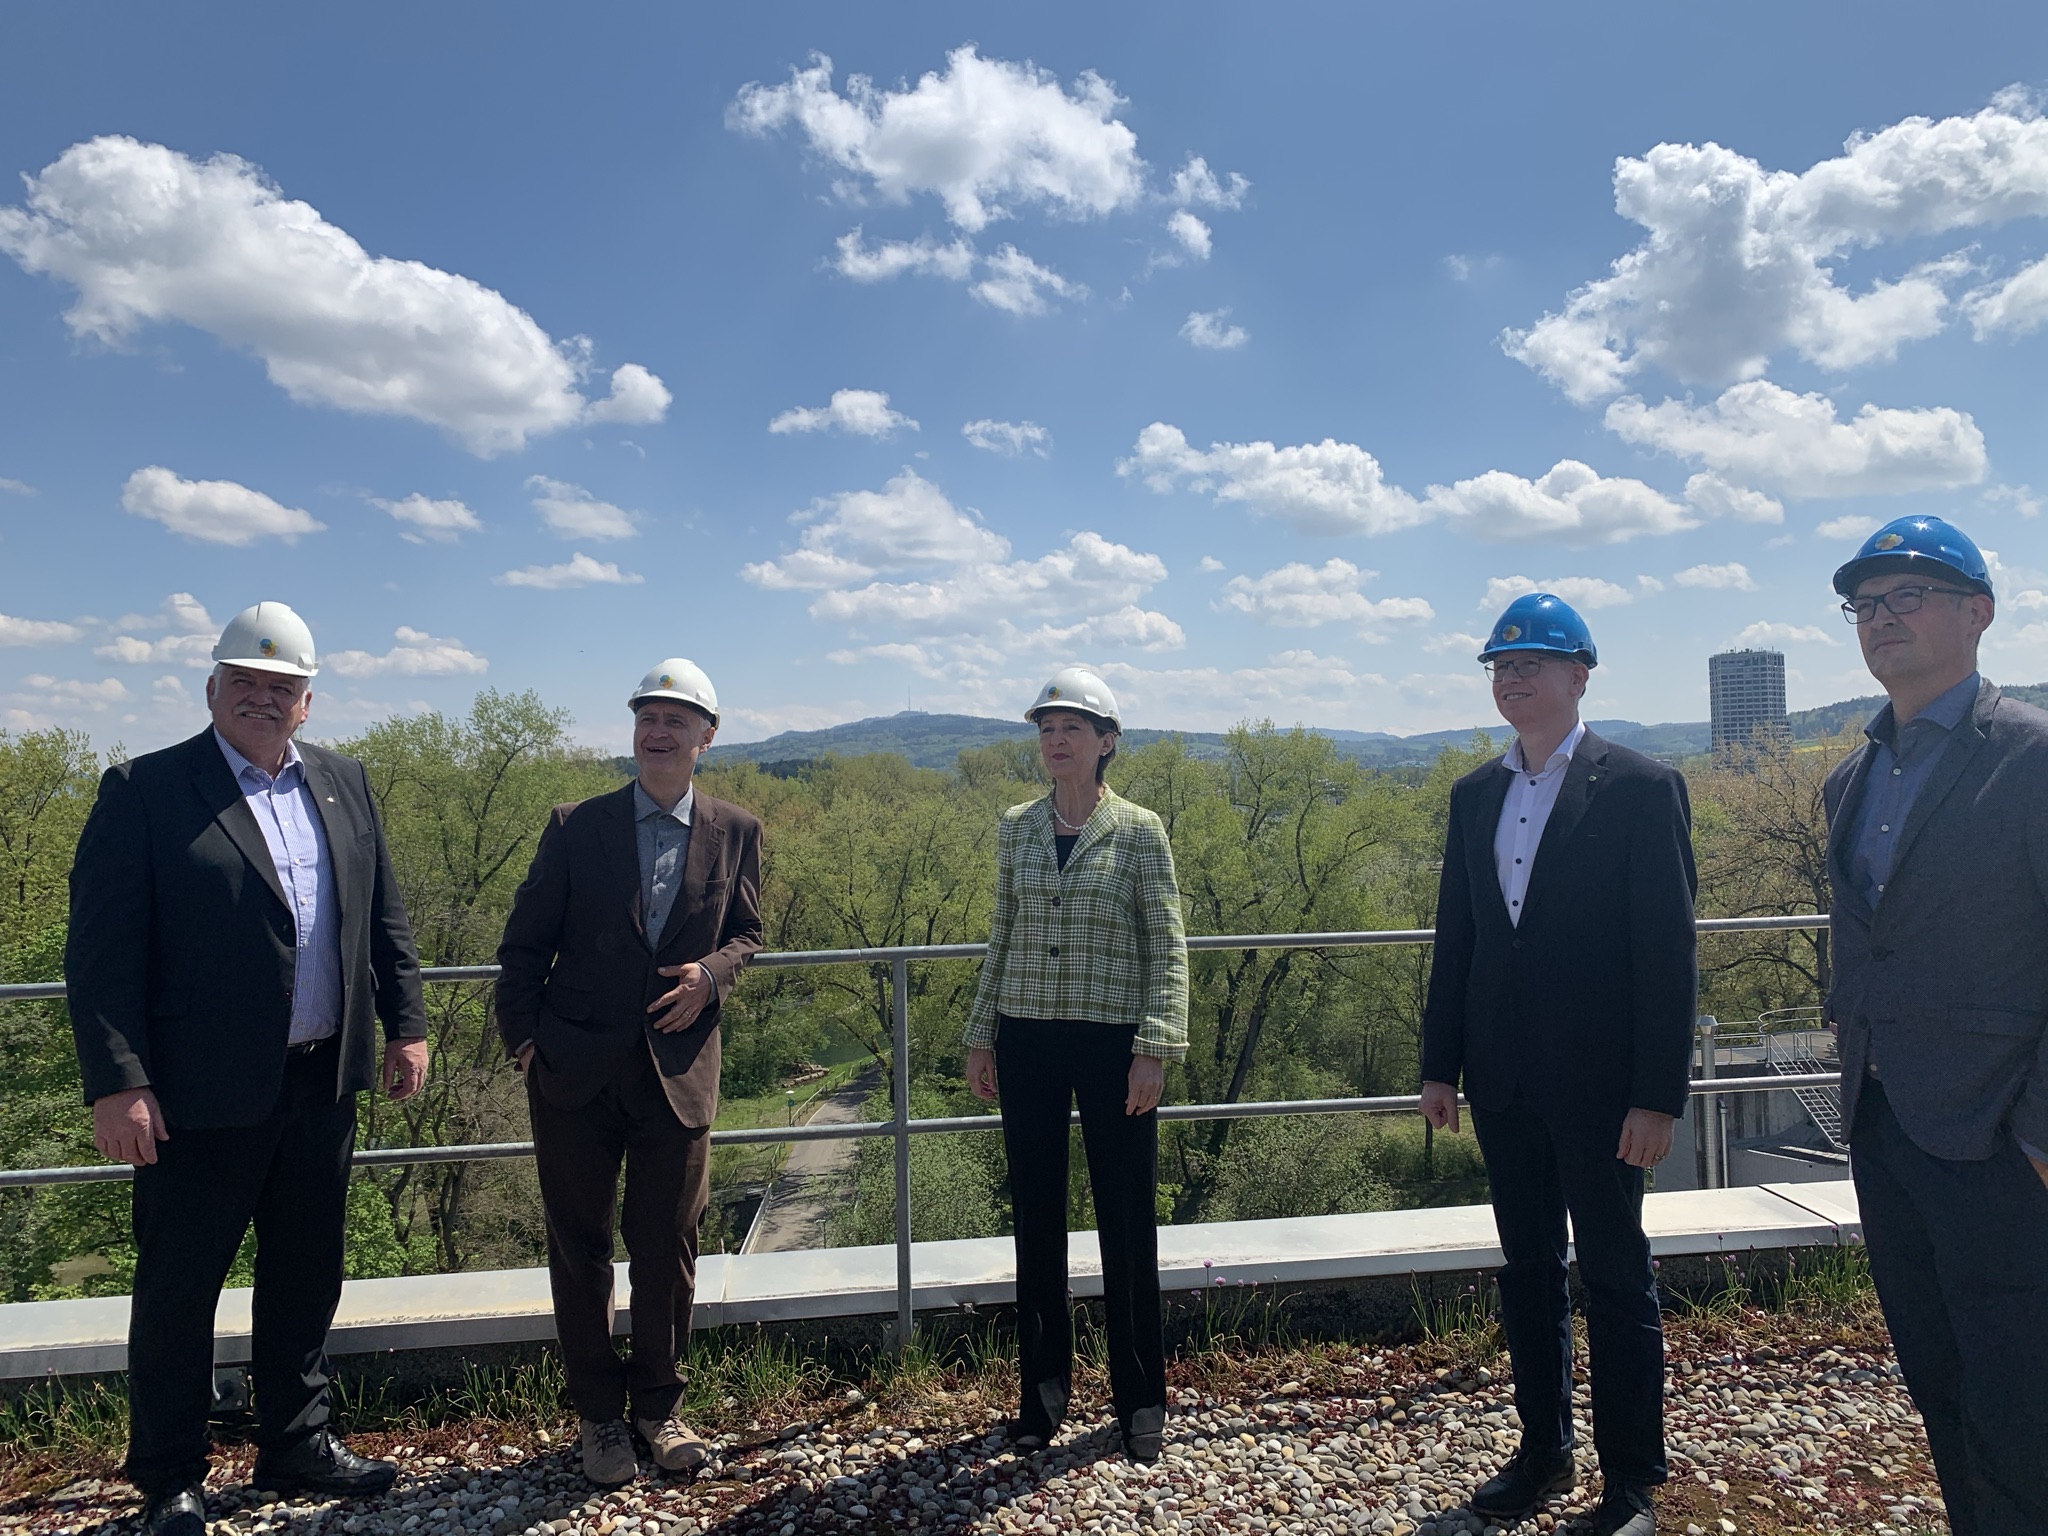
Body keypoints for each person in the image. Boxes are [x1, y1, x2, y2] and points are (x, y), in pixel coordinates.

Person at [66, 602, 429, 1536]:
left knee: (309, 1273)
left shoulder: (344, 784)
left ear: (308, 703)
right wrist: (118, 1079)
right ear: (213, 689)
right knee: (181, 1286)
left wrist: (406, 1025)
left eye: (284, 688)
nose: (265, 700)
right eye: (248, 684)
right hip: (195, 1095)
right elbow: (102, 955)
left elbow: (382, 918)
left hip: (322, 1079)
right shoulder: (145, 790)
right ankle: (170, 1474)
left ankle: (297, 1443)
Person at [1417, 595, 1697, 1536]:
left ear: (1581, 675)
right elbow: (1458, 939)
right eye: (1500, 664)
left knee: (1617, 1277)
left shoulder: (1640, 787)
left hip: (1605, 1090)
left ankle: (1631, 1483)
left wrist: (1659, 1096)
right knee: (1527, 1270)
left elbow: (1668, 952)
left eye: (1533, 661)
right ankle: (1542, 1454)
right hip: (1501, 1082)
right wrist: (1438, 1064)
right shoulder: (1472, 796)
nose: (1513, 677)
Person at [1821, 515, 2048, 1535]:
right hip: (1885, 1128)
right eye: (1865, 605)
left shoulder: (2030, 757)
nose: (1881, 618)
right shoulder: (1847, 779)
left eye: (1907, 595)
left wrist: (2039, 1136)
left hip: (2001, 1137)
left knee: (2023, 1404)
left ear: (1978, 612)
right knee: (1940, 1388)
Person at [495, 659, 763, 1488]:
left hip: (678, 1075)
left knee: (669, 1245)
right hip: (573, 1072)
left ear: (706, 737)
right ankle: (598, 1419)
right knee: (579, 1248)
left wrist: (712, 975)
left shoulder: (737, 829)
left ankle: (658, 1407)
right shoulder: (576, 824)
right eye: (648, 715)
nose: (658, 731)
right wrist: (526, 1043)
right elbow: (521, 946)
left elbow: (749, 933)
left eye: (677, 719)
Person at [962, 665, 1189, 1465]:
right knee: (1036, 1220)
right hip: (1026, 1040)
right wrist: (981, 1032)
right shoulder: (1015, 826)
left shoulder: (1139, 829)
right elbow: (1001, 934)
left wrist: (1154, 1047)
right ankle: (1042, 1395)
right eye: (1045, 728)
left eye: (1073, 729)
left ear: (1107, 742)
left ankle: (1140, 1399)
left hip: (1111, 1046)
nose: (1056, 741)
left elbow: (1166, 945)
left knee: (1127, 1221)